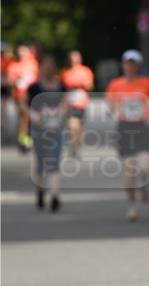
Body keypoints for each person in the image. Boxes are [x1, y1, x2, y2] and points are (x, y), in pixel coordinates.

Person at [105, 50, 149, 222]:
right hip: (125, 129)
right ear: (123, 65)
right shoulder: (115, 85)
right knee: (130, 171)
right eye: (127, 63)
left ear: (138, 65)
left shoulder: (146, 83)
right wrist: (111, 109)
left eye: (133, 63)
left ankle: (145, 185)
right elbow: (110, 106)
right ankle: (132, 206)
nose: (130, 66)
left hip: (142, 127)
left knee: (144, 168)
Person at [24, 54, 67, 211]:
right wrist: (33, 115)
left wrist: (62, 113)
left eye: (51, 66)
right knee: (40, 164)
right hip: (38, 130)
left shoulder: (61, 86)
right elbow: (23, 104)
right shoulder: (34, 87)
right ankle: (40, 192)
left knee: (54, 162)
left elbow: (65, 103)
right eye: (46, 66)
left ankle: (55, 196)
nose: (49, 69)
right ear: (41, 68)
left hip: (55, 129)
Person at [61, 50, 95, 156]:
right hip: (70, 104)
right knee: (72, 126)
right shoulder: (65, 72)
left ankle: (77, 145)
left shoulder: (86, 71)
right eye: (72, 58)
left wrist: (82, 85)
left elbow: (91, 86)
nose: (74, 60)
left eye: (76, 58)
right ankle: (73, 147)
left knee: (80, 128)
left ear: (80, 59)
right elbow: (62, 88)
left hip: (82, 103)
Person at [8, 43, 39, 152]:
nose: (22, 54)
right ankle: (23, 140)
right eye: (20, 52)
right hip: (20, 96)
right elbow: (10, 81)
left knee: (30, 118)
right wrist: (18, 79)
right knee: (23, 118)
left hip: (32, 95)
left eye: (24, 51)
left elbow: (36, 79)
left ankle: (28, 138)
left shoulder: (33, 64)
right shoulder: (14, 66)